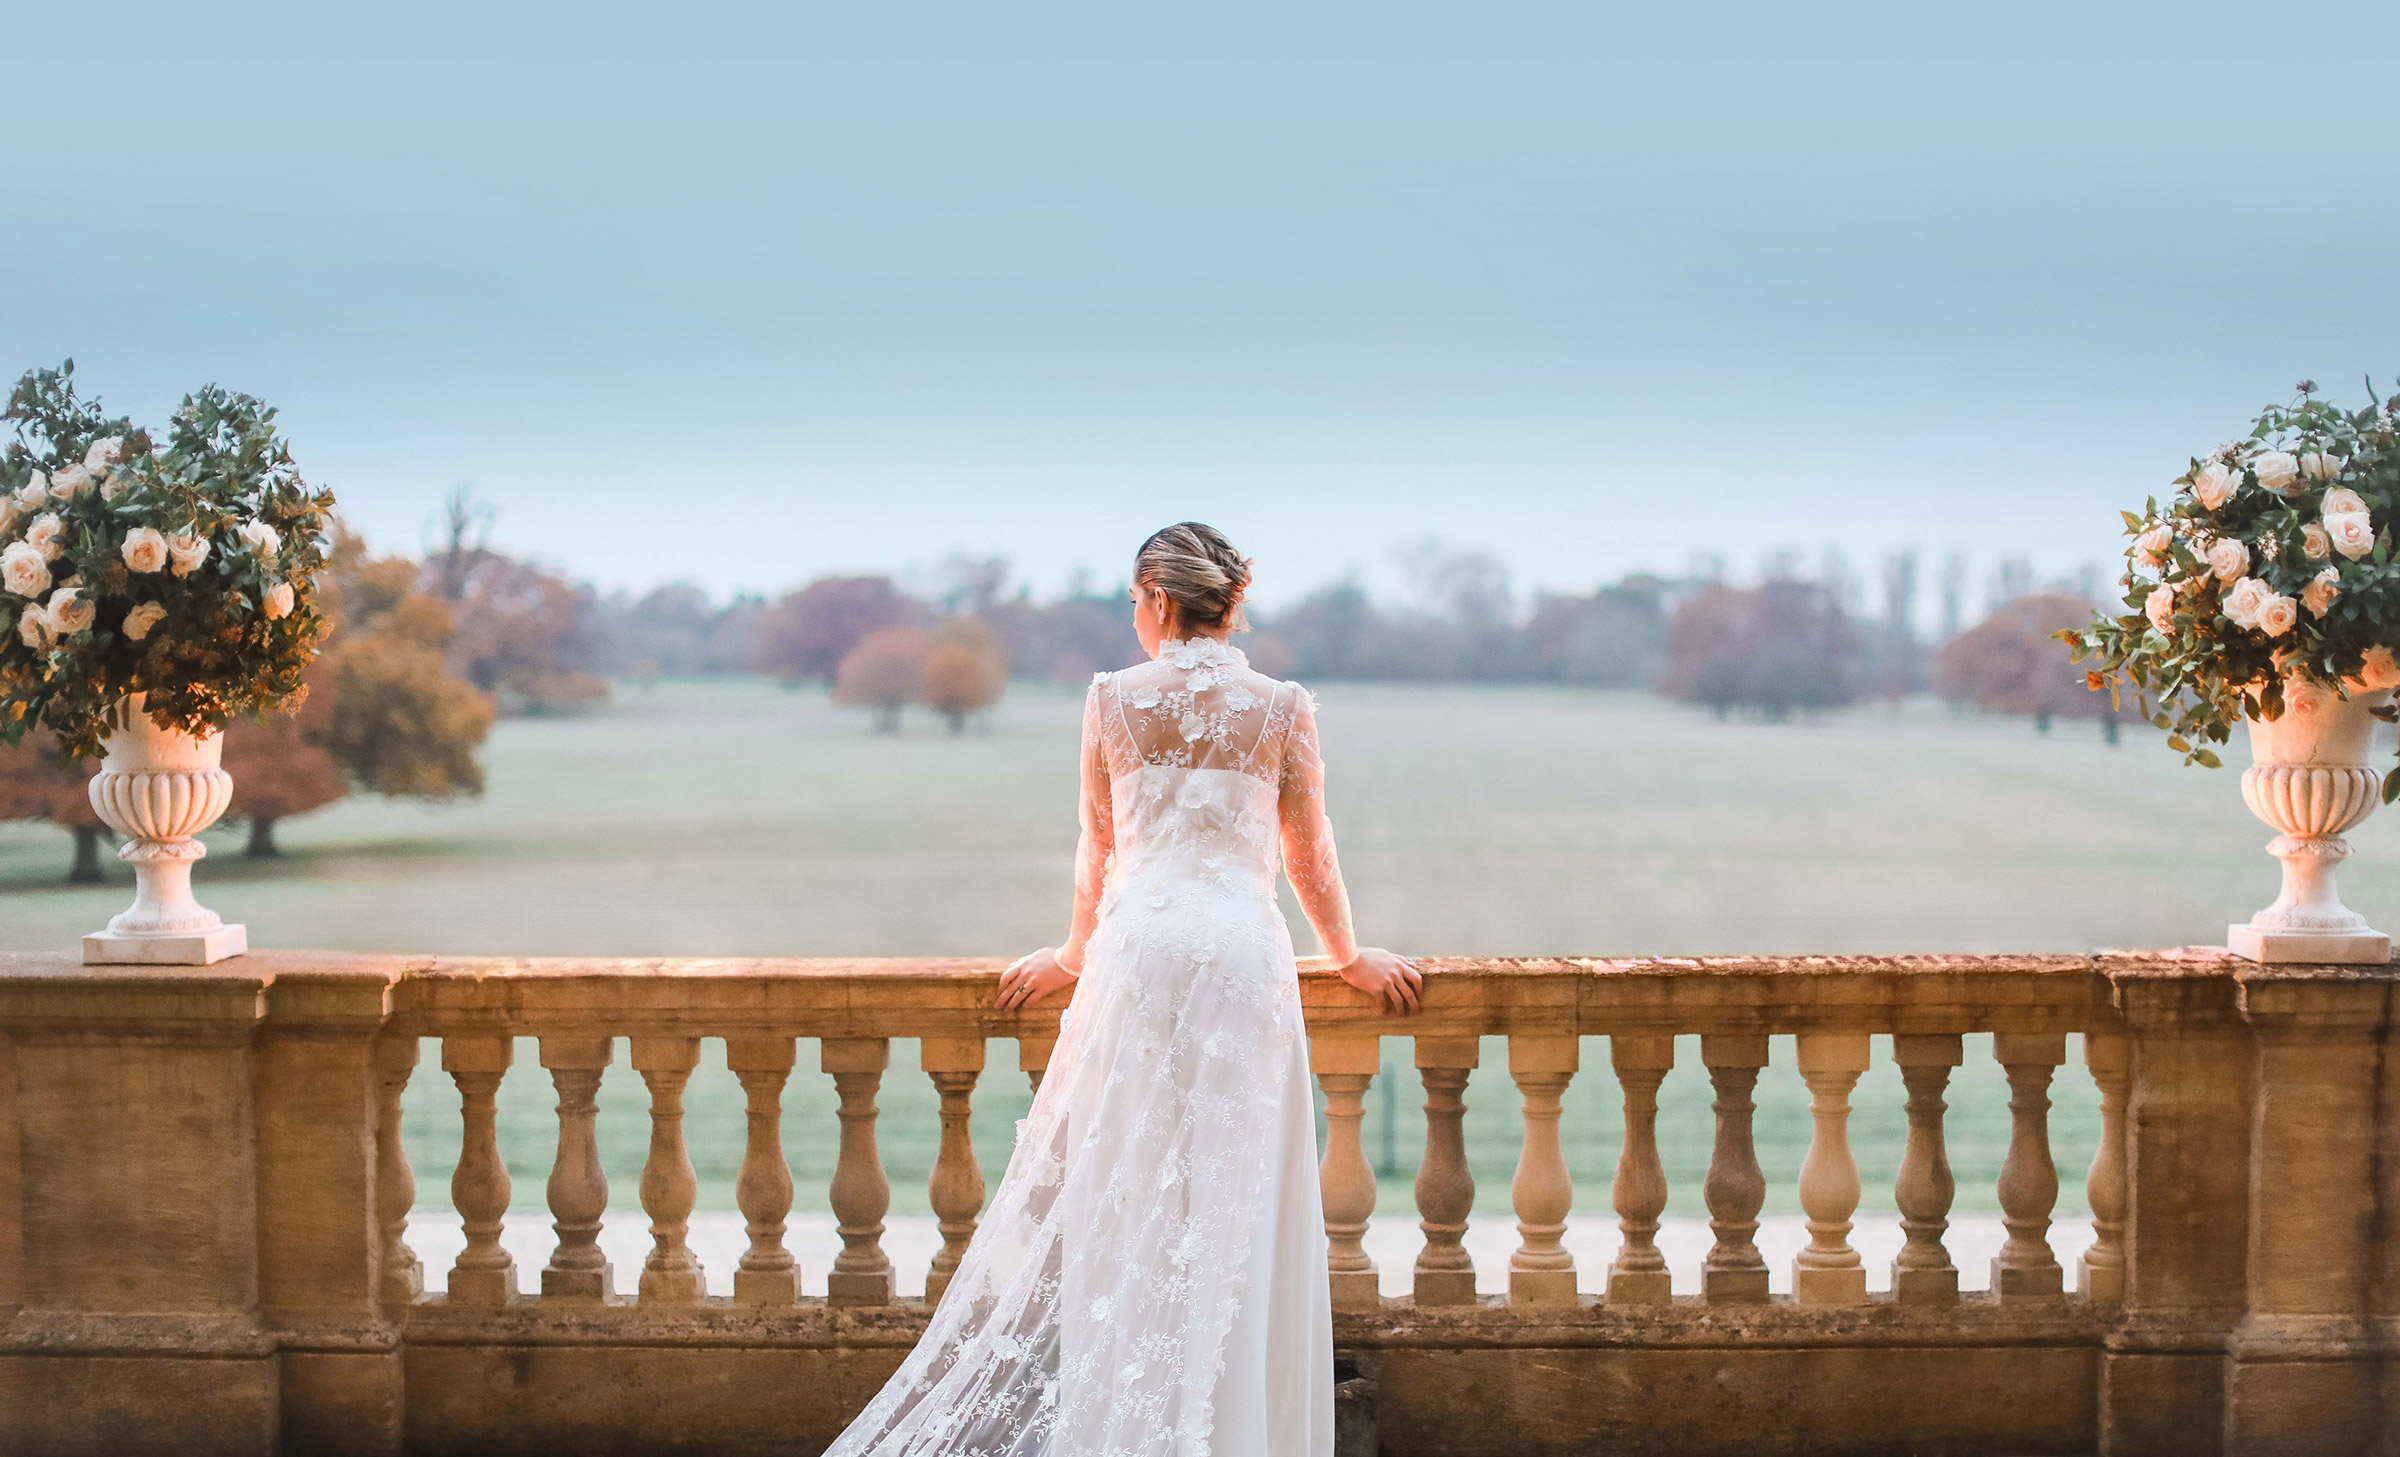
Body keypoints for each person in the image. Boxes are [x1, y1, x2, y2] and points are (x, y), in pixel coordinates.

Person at [823, 522, 1421, 1457]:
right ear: (1228, 602)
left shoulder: (1112, 700)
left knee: (1134, 1191)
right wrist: (1348, 954)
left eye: (1135, 601)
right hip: (1237, 959)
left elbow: (1098, 848)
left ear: (1156, 598)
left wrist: (1071, 949)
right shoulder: (1281, 706)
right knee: (1241, 1195)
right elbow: (1309, 854)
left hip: (1138, 956)